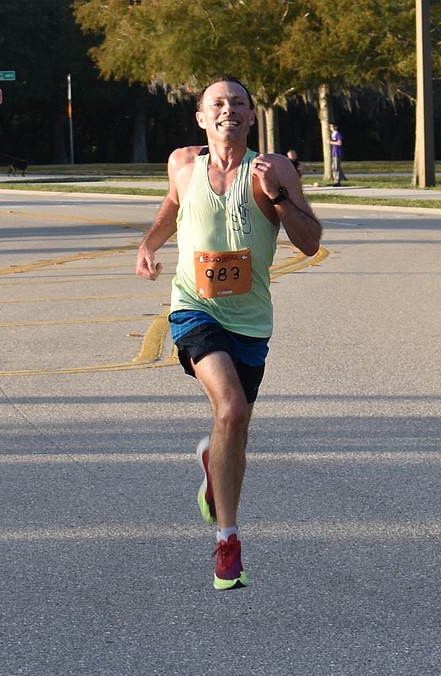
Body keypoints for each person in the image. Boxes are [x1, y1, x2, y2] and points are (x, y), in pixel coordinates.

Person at [135, 76, 322, 590]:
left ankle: (213, 467)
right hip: (194, 308)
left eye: (239, 102)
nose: (228, 110)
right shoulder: (182, 163)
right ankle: (227, 540)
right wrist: (149, 244)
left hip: (251, 321)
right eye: (217, 103)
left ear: (250, 116)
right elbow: (172, 207)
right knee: (231, 409)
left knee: (233, 430)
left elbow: (309, 241)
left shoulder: (273, 168)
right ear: (201, 117)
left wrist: (279, 195)